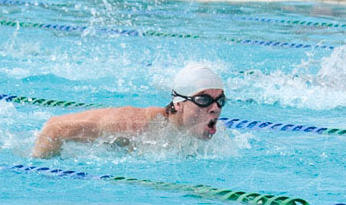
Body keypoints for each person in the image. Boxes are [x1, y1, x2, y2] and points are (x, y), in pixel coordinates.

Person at [32, 63, 225, 158]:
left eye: (220, 100)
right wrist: (43, 170)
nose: (215, 108)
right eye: (204, 99)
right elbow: (56, 127)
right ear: (178, 103)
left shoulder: (218, 136)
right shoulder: (137, 124)